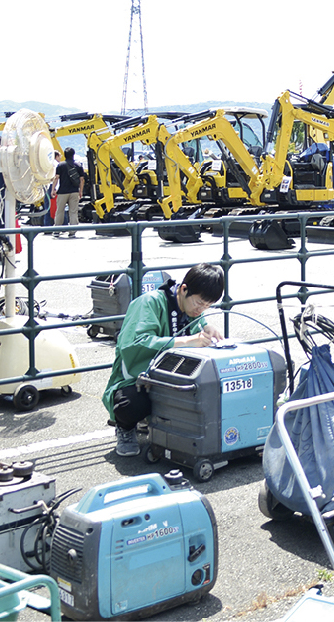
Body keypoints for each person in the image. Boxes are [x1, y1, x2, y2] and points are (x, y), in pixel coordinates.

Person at [103, 263, 226, 456]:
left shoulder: (191, 309)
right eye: (199, 303)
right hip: (138, 379)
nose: (201, 309)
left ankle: (158, 423)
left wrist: (207, 326)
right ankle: (125, 427)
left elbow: (199, 322)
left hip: (172, 378)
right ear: (184, 289)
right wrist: (186, 341)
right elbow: (135, 343)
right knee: (131, 404)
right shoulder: (149, 303)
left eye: (208, 306)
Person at [53, 147, 86, 235]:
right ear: (73, 154)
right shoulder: (78, 165)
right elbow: (82, 179)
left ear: (65, 155)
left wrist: (53, 189)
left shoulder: (61, 165)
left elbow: (56, 178)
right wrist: (80, 191)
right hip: (74, 191)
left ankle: (57, 230)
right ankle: (72, 231)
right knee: (73, 212)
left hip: (62, 192)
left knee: (59, 211)